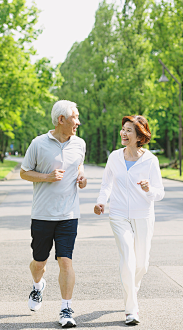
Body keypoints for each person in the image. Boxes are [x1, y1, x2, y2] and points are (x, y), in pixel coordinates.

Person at [20, 100, 87, 328]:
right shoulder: (38, 144)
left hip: (69, 214)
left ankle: (66, 308)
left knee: (65, 261)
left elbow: (79, 166)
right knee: (39, 263)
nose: (78, 122)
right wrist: (47, 177)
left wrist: (82, 177)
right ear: (61, 120)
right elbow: (24, 172)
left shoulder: (80, 144)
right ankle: (38, 285)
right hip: (42, 214)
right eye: (75, 117)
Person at [94, 115, 164, 326]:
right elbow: (106, 184)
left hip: (143, 215)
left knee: (142, 264)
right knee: (128, 258)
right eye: (123, 129)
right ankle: (131, 309)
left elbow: (160, 193)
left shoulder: (150, 160)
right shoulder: (114, 157)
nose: (123, 134)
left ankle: (130, 291)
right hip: (118, 215)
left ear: (140, 136)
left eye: (129, 131)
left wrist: (148, 189)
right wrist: (101, 202)